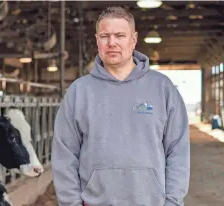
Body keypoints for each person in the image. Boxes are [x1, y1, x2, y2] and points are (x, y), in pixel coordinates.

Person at [51, 6, 190, 206]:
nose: (112, 43)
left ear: (133, 40)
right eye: (105, 36)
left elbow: (178, 152)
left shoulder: (162, 88)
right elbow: (65, 154)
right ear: (97, 40)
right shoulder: (79, 91)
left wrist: (173, 202)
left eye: (120, 35)